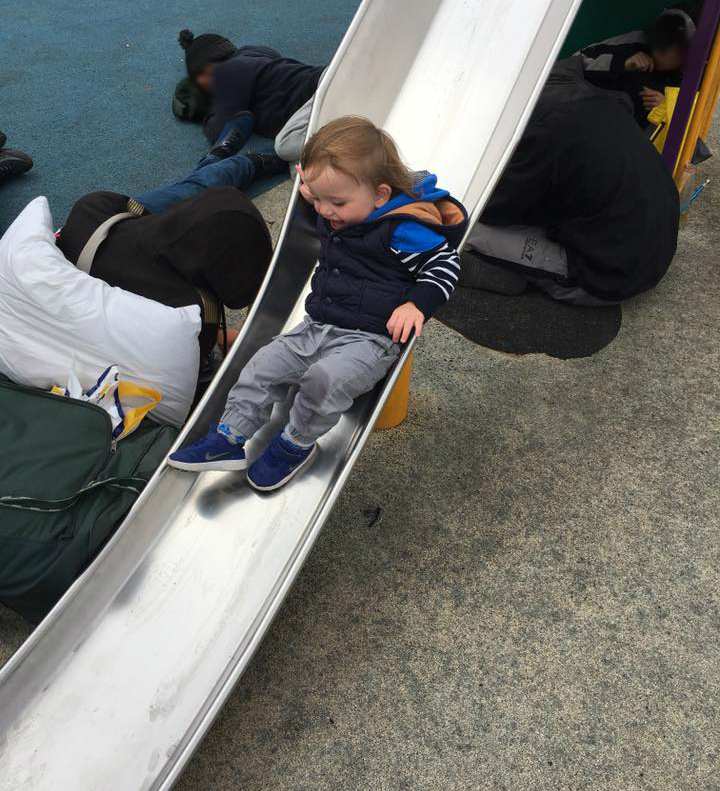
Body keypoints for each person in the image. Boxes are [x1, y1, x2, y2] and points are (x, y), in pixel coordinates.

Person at [168, 116, 468, 491]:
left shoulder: (401, 229)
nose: (325, 211)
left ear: (380, 195)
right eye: (319, 199)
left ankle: (296, 443)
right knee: (262, 364)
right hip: (316, 327)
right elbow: (326, 195)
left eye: (337, 202)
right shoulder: (342, 208)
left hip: (370, 339)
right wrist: (313, 189)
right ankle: (229, 438)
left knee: (324, 381)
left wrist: (416, 306)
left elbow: (445, 263)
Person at [56, 111, 279, 373]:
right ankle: (249, 163)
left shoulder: (92, 206)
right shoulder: (193, 311)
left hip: (99, 231)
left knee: (195, 194)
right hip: (107, 234)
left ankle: (220, 158)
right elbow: (215, 340)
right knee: (195, 189)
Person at [463, 57, 679, 306]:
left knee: (458, 222)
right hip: (649, 253)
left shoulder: (548, 134)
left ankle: (513, 272)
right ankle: (518, 266)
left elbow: (492, 207)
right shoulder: (602, 108)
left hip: (606, 277)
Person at [175, 29, 325, 146]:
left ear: (204, 71)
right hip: (327, 76)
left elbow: (219, 132)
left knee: (286, 147)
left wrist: (207, 106)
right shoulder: (255, 53)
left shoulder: (225, 73)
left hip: (319, 101)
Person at [577, 5, 698, 127]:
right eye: (659, 45)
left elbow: (692, 128)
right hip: (590, 119)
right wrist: (622, 63)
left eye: (667, 51)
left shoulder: (691, 78)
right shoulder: (637, 41)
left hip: (631, 139)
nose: (657, 54)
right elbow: (578, 61)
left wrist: (666, 109)